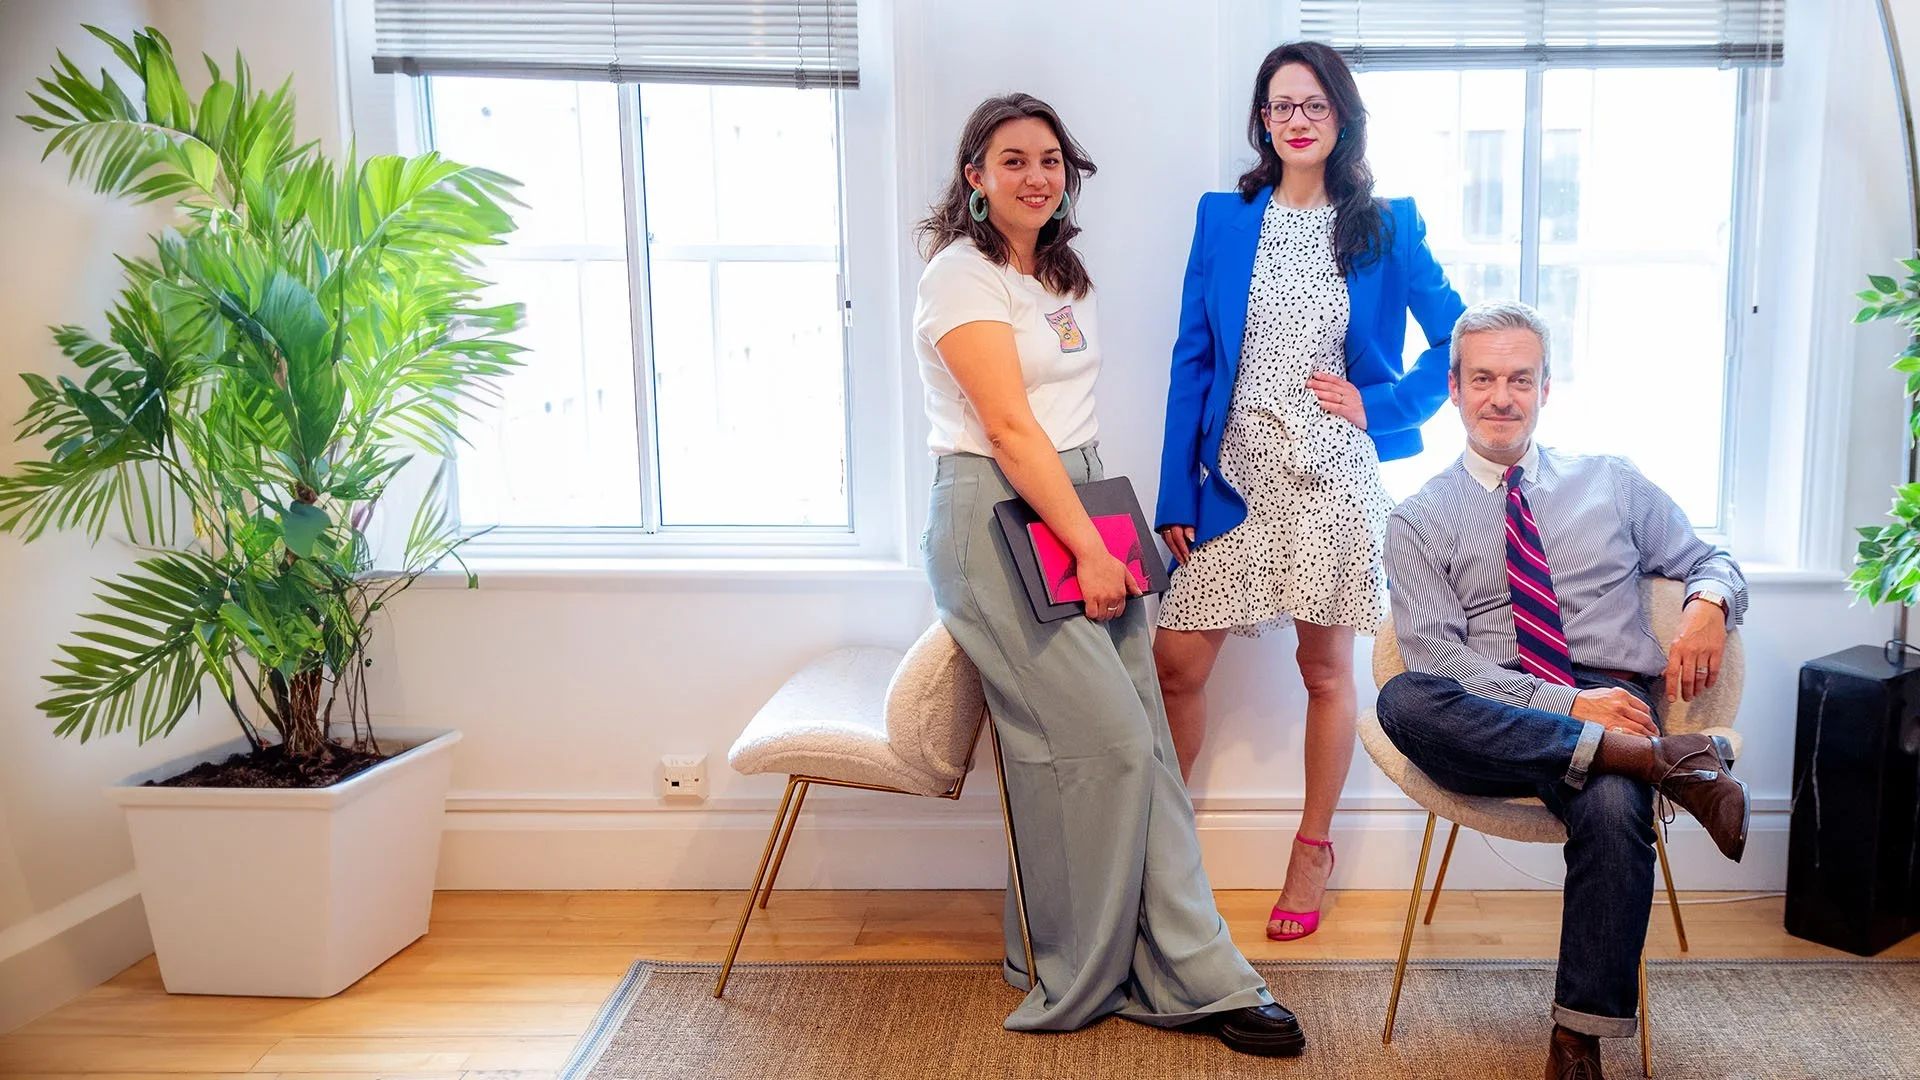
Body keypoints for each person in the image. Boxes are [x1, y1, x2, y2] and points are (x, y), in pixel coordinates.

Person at [911, 92, 1304, 1057]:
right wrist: (1086, 546)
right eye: (1013, 161)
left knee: (1149, 747)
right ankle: (1079, 965)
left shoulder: (1062, 275)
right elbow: (1007, 430)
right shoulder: (959, 278)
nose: (1036, 176)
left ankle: (1193, 967)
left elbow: (1070, 424)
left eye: (1051, 160)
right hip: (1001, 512)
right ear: (975, 177)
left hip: (1084, 499)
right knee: (1107, 748)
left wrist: (1101, 530)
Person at [1375, 299, 1750, 1080]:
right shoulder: (1417, 517)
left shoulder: (1610, 481)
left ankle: (1575, 1045)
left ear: (1547, 389)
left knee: (1613, 807)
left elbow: (1710, 558)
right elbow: (1440, 660)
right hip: (1496, 711)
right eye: (1483, 378)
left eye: (1520, 378)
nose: (1501, 397)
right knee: (1402, 700)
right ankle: (1662, 760)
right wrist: (1567, 708)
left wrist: (1709, 605)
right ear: (1453, 388)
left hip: (1614, 691)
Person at [1152, 40, 1466, 941]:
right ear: (1261, 119)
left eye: (1314, 106)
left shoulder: (1386, 225)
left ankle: (1312, 848)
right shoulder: (1222, 218)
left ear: (1341, 118)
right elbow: (1192, 356)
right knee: (1176, 663)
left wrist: (1382, 406)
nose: (1296, 120)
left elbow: (1459, 339)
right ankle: (1161, 850)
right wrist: (1177, 489)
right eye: (1281, 106)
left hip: (1331, 474)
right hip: (1233, 477)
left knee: (1324, 669)